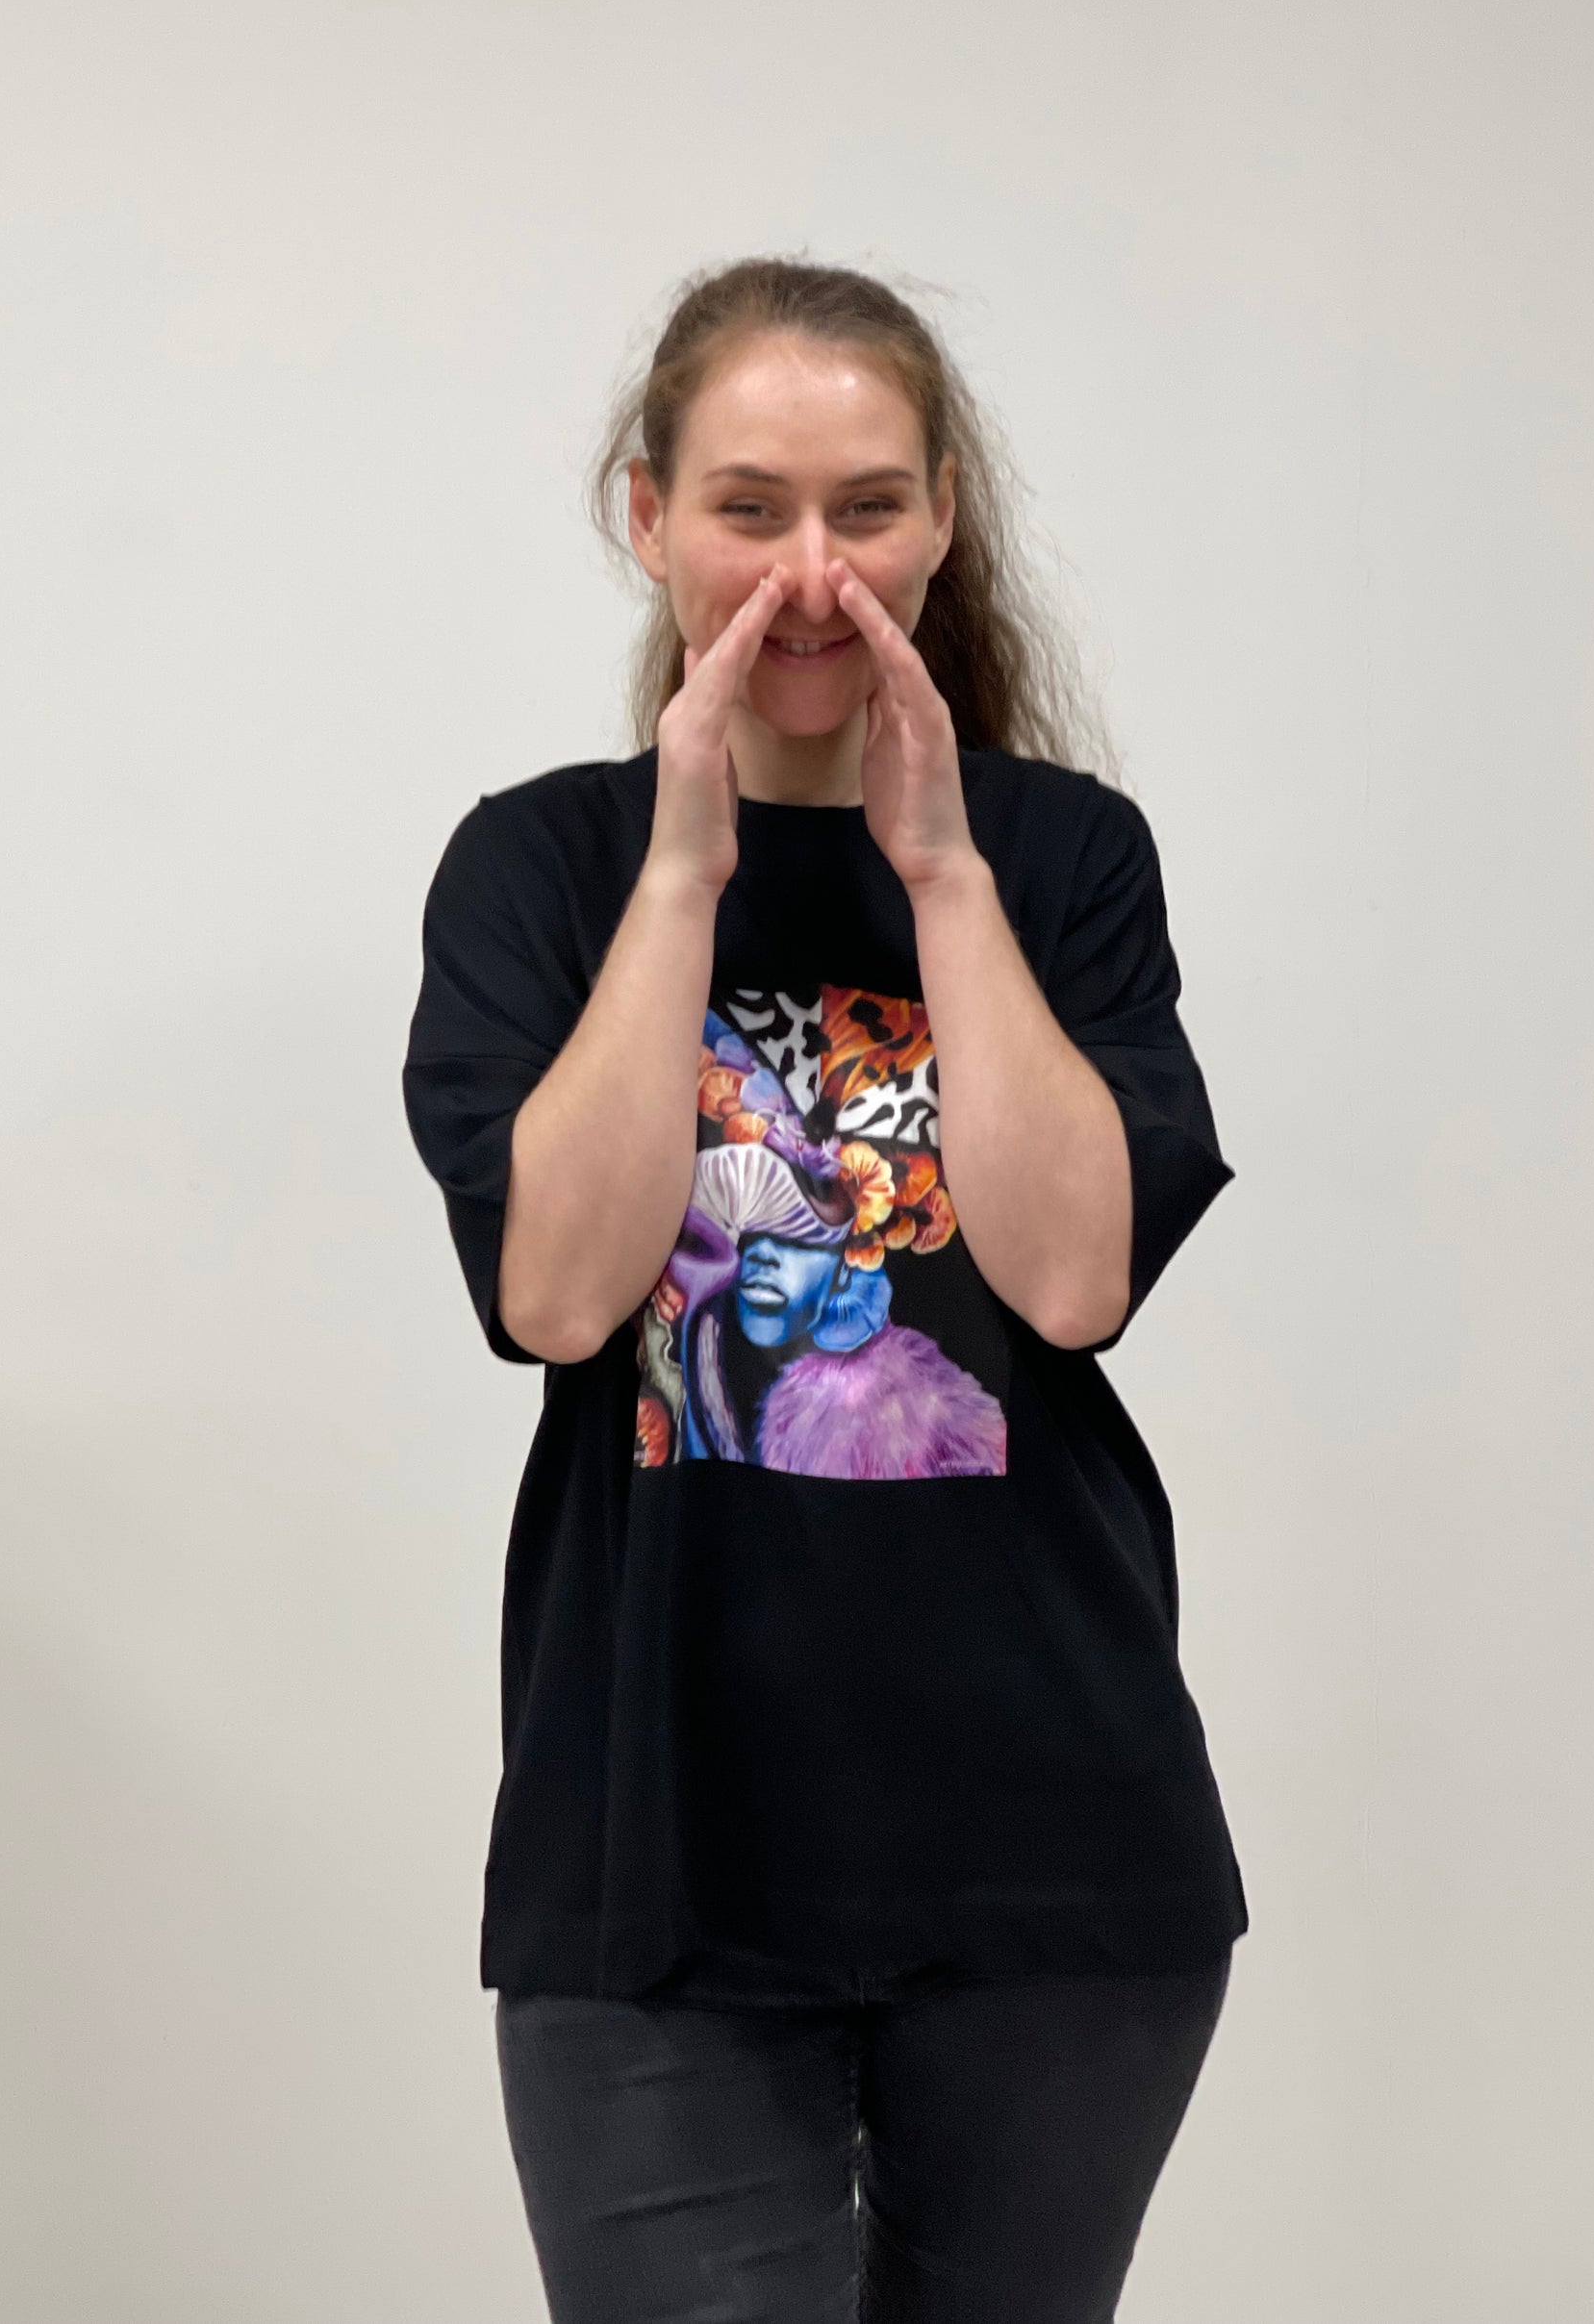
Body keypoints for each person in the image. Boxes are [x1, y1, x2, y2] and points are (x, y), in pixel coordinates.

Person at [401, 256, 1248, 2321]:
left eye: (866, 506)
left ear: (941, 519)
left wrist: (941, 870)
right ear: (648, 517)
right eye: (747, 506)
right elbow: (559, 1293)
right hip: (655, 1853)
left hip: (1054, 1850)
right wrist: (682, 872)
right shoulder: (544, 872)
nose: (807, 571)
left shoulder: (1062, 861)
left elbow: (1069, 1281)